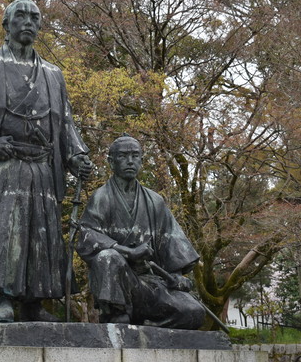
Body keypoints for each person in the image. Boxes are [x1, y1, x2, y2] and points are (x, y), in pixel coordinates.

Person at [0, 0, 93, 323]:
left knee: (41, 231)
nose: (28, 22)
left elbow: (65, 122)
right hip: (5, 162)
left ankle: (35, 302)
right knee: (4, 229)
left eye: (35, 17)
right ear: (6, 24)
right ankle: (3, 298)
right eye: (21, 16)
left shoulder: (52, 74)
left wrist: (77, 154)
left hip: (43, 166)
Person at [76, 135, 205, 329]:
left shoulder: (155, 201)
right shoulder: (101, 198)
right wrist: (128, 252)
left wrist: (177, 275)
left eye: (135, 156)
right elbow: (88, 236)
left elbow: (171, 240)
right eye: (123, 156)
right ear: (111, 162)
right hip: (119, 281)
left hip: (149, 284)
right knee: (108, 257)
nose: (130, 161)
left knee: (195, 313)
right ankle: (116, 313)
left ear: (142, 161)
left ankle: (150, 326)